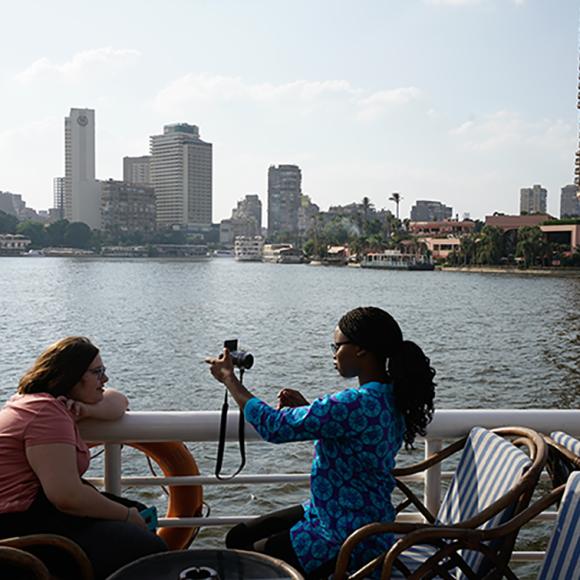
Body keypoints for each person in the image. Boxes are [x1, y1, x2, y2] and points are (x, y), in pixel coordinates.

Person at [206, 306, 436, 579]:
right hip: (362, 519)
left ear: (361, 350)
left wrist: (229, 379)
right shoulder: (390, 397)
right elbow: (352, 437)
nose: (333, 354)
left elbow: (274, 427)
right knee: (238, 536)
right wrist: (306, 409)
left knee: (243, 555)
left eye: (336, 346)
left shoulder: (354, 403)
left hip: (338, 533)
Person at [0, 337, 167, 579]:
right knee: (148, 548)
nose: (105, 379)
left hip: (30, 515)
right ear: (72, 375)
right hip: (20, 527)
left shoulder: (35, 402)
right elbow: (66, 496)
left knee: (139, 511)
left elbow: (119, 400)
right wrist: (127, 517)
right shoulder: (46, 414)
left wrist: (88, 410)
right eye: (98, 372)